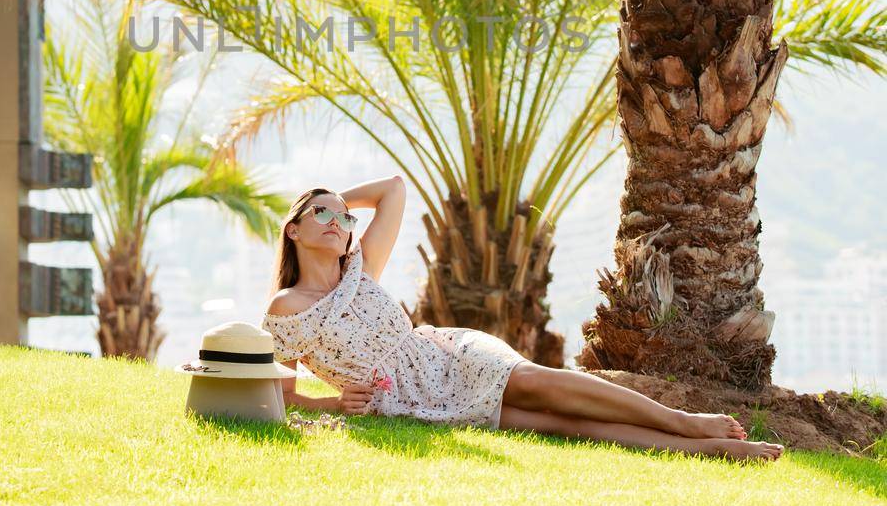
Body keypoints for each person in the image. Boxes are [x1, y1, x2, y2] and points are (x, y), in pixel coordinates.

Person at [261, 177, 785, 462]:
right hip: (409, 399)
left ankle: (685, 422)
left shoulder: (361, 269)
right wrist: (333, 402)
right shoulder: (286, 309)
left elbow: (393, 190)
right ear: (293, 231)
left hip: (444, 353)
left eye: (344, 218)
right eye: (322, 217)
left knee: (541, 382)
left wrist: (324, 196)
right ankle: (715, 449)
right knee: (562, 426)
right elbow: (277, 393)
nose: (337, 223)